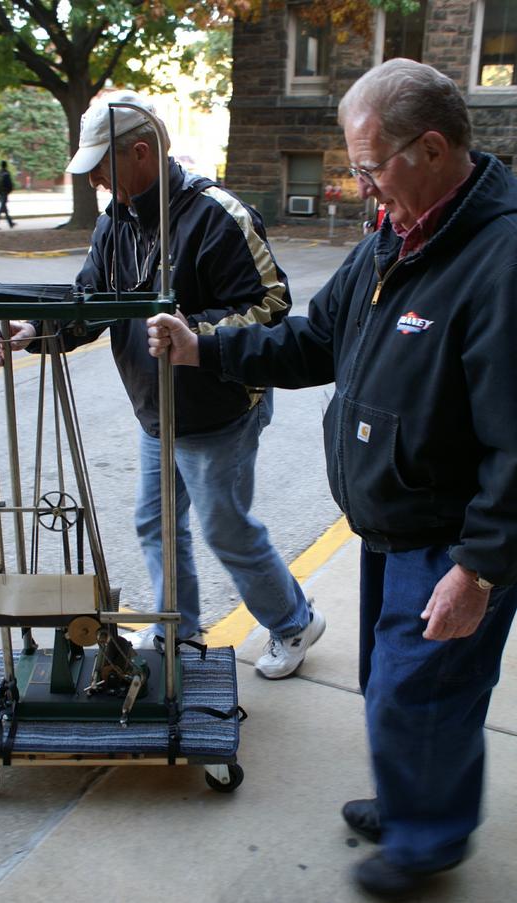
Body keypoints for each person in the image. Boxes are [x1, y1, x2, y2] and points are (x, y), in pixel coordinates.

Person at [146, 59, 517, 896]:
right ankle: (414, 799)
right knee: (400, 686)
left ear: (429, 147)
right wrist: (207, 344)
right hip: (393, 518)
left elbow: (516, 443)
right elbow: (317, 339)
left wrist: (481, 566)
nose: (357, 187)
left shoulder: (499, 258)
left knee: (424, 693)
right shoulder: (398, 234)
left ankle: (429, 842)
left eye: (367, 166)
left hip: (454, 539)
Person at [0, 89, 325, 680]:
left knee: (226, 528)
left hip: (217, 409)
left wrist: (194, 332)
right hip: (157, 410)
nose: (94, 180)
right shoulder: (114, 224)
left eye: (100, 166)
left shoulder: (217, 214)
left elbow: (272, 308)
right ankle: (180, 624)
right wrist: (37, 330)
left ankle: (293, 621)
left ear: (140, 153)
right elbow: (89, 302)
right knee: (156, 522)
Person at [0, 160, 16, 229]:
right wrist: (9, 191)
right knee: (1, 209)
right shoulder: (6, 173)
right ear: (6, 165)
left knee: (4, 208)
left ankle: (10, 223)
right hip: (4, 193)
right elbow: (9, 184)